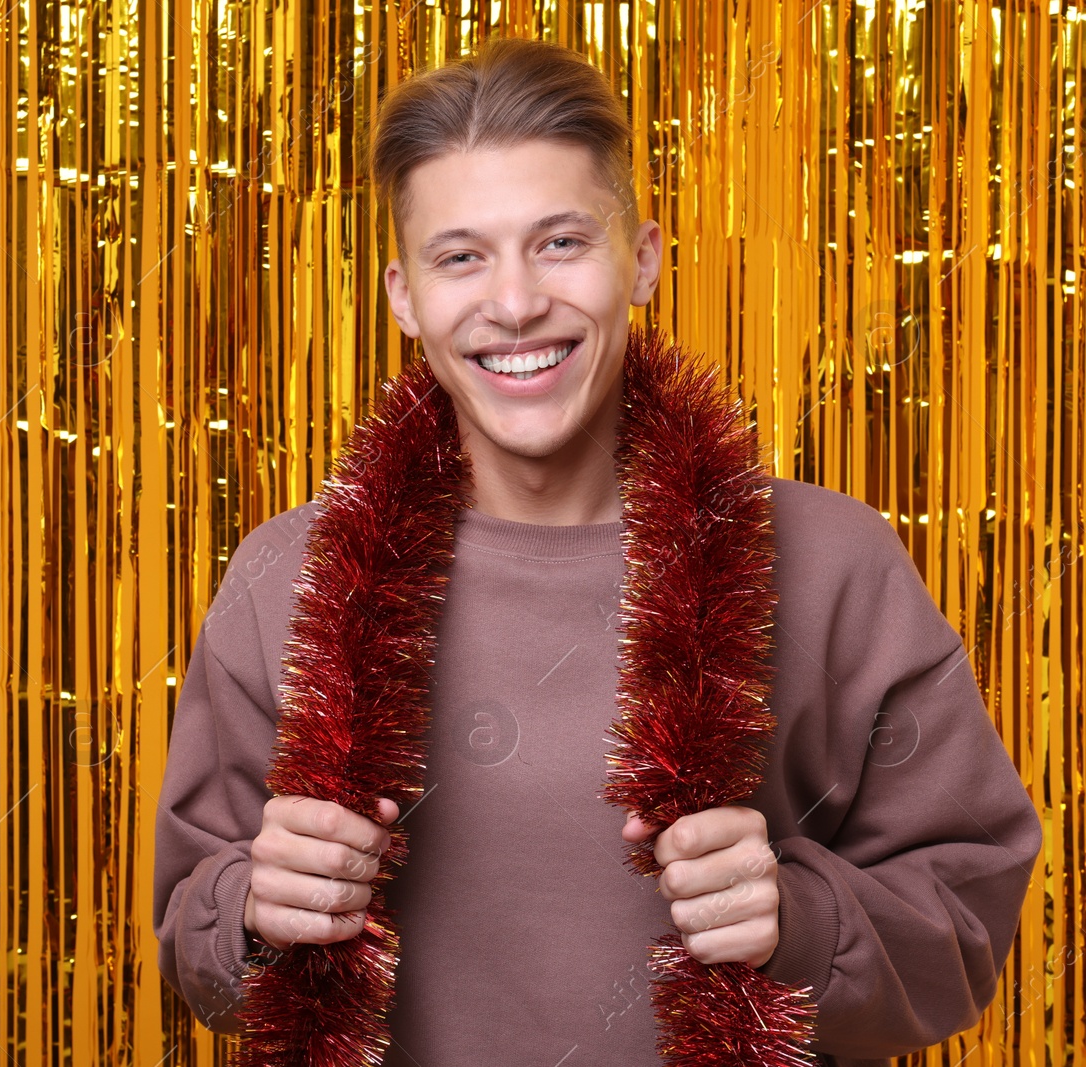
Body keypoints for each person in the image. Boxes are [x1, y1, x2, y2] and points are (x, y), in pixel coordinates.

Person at [153, 37, 1041, 1065]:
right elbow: (194, 933)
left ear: (645, 259)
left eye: (561, 242)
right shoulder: (286, 578)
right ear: (404, 296)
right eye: (461, 255)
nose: (517, 301)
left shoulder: (834, 562)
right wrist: (259, 905)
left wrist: (797, 918)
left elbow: (966, 927)